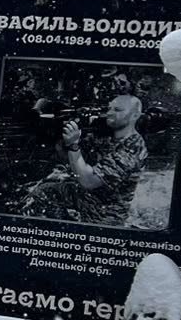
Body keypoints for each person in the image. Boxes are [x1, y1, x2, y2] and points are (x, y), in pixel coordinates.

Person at [21, 93, 148, 226]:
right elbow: (70, 159)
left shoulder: (133, 147)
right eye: (109, 108)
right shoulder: (105, 136)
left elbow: (89, 181)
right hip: (86, 197)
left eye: (117, 110)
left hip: (104, 213)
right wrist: (60, 135)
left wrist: (73, 145)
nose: (109, 113)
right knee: (43, 191)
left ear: (135, 115)